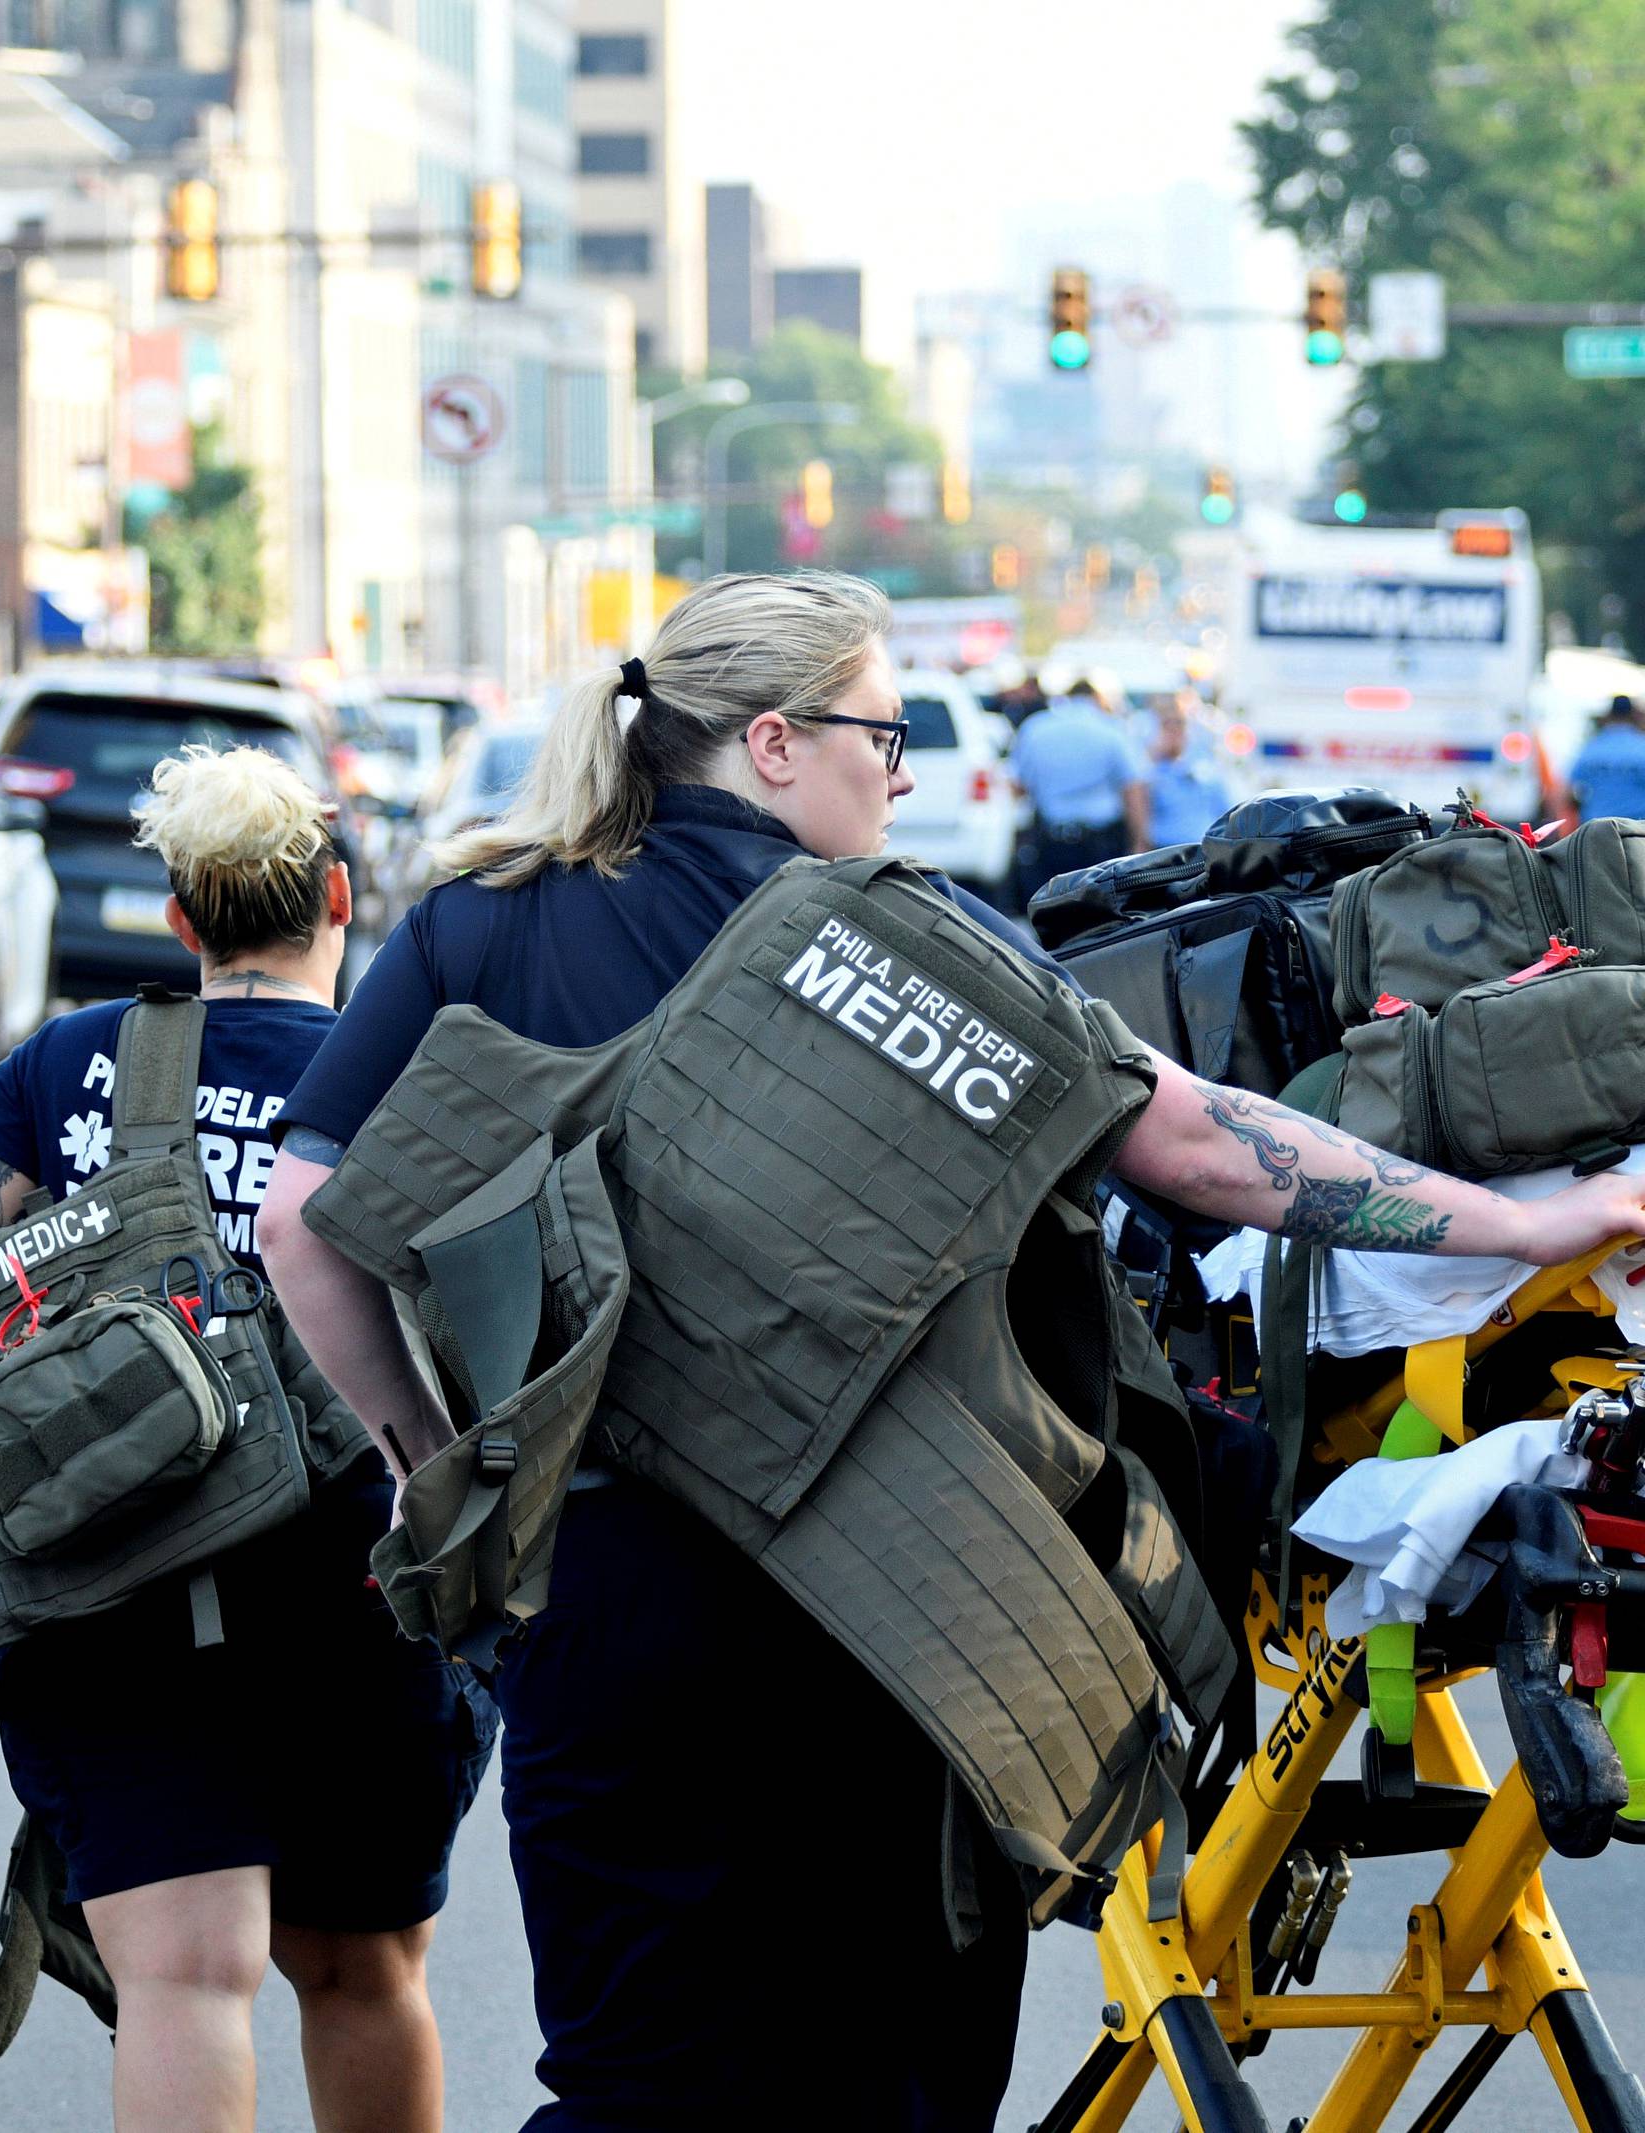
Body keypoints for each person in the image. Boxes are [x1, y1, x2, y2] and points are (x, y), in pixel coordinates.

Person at [256, 572, 1645, 2133]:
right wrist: (1530, 1227)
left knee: (635, 2081)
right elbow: (1196, 1144)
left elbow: (303, 1222)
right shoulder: (922, 944)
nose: (903, 773)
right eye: (884, 731)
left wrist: (429, 1464)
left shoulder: (478, 916)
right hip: (908, 1616)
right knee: (891, 2080)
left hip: (612, 1603)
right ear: (773, 744)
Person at [0, 745, 496, 2133]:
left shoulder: (67, 1061)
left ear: (180, 919)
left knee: (184, 1981)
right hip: (360, 1583)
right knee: (362, 1973)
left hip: (118, 1580)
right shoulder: (397, 1073)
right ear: (340, 897)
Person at [1010, 674, 1151, 903]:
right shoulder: (1112, 729)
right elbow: (1133, 789)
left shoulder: (1035, 728)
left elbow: (1018, 787)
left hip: (1051, 842)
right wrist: (1141, 840)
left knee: (1054, 911)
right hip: (1101, 845)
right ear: (1096, 699)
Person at [1145, 690, 1234, 848]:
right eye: (1168, 725)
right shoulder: (1148, 769)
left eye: (1179, 724)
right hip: (1162, 851)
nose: (1174, 732)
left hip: (1201, 850)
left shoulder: (1206, 766)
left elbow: (1225, 811)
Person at [1570, 694, 1645, 823]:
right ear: (1634, 715)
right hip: (1637, 828)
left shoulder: (1592, 747)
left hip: (1598, 827)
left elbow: (1568, 789)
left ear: (1609, 715)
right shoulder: (1641, 746)